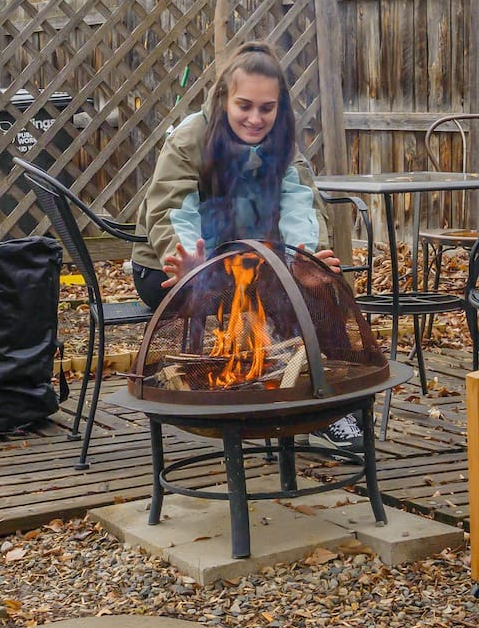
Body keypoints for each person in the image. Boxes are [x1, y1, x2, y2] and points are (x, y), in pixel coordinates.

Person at [131, 41, 364, 452]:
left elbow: (299, 206)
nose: (255, 118)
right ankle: (245, 398)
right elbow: (170, 207)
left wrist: (303, 258)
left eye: (267, 108)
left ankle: (324, 404)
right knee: (249, 289)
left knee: (308, 290)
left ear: (280, 109)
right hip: (172, 269)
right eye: (244, 106)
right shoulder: (190, 139)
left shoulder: (282, 145)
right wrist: (188, 262)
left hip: (246, 264)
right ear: (224, 100)